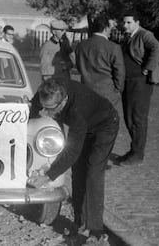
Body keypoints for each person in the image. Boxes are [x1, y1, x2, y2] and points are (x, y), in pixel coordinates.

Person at [28, 78, 119, 240]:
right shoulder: (45, 92)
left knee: (92, 172)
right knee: (77, 172)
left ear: (63, 102)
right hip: (85, 124)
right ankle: (79, 222)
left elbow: (72, 152)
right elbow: (33, 113)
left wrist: (49, 176)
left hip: (105, 124)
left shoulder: (77, 111)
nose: (45, 113)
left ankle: (95, 230)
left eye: (50, 109)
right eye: (44, 107)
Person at [115, 12, 159, 166]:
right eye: (124, 22)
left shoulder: (145, 34)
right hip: (129, 82)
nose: (125, 25)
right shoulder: (128, 37)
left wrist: (147, 68)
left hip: (140, 83)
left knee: (137, 118)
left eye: (129, 22)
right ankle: (134, 150)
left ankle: (138, 155)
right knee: (129, 118)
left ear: (137, 22)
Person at [75, 15, 125, 109]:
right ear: (106, 28)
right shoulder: (113, 47)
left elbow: (78, 66)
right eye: (110, 28)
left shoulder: (81, 45)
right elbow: (120, 72)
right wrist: (118, 90)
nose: (111, 31)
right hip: (108, 93)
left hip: (86, 90)